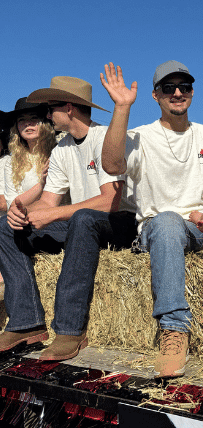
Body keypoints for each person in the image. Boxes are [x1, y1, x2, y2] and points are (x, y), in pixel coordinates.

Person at [100, 61, 203, 378]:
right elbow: (110, 163)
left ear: (192, 92)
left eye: (184, 86)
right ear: (156, 95)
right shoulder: (140, 137)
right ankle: (174, 330)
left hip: (201, 228)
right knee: (168, 221)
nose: (177, 93)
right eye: (169, 88)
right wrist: (121, 108)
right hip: (159, 231)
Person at [0, 76, 137, 360]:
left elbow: (110, 200)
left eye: (50, 109)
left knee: (83, 218)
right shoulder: (62, 149)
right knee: (3, 227)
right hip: (81, 224)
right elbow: (48, 202)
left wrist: (54, 213)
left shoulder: (105, 137)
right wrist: (22, 213)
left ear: (69, 107)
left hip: (121, 224)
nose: (47, 116)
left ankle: (69, 330)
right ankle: (26, 322)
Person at [3, 98, 56, 210]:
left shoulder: (58, 153)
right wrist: (41, 185)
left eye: (33, 118)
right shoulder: (11, 162)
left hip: (57, 220)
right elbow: (12, 205)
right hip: (24, 219)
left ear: (45, 122)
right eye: (21, 120)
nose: (27, 123)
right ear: (17, 127)